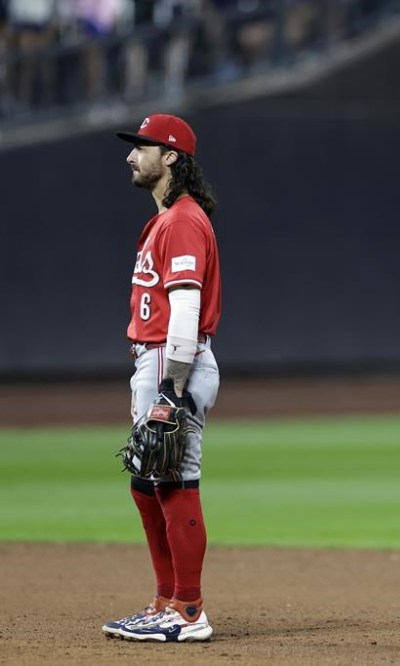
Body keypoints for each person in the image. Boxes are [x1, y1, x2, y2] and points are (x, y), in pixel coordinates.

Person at [101, 113, 222, 642]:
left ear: (170, 156)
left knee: (174, 481)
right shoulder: (165, 220)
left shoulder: (183, 221)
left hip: (174, 362)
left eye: (142, 146)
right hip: (155, 361)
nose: (131, 155)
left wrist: (171, 390)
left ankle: (188, 611)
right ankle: (166, 600)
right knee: (145, 483)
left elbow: (186, 307)